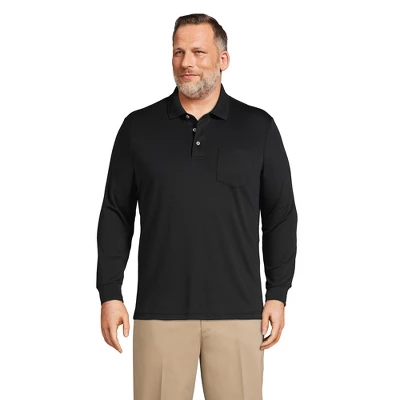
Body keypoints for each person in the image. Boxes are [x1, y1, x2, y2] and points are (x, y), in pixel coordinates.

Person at [96, 13, 298, 400]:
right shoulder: (138, 128)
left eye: (198, 52)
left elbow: (279, 216)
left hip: (239, 314)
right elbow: (116, 214)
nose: (186, 62)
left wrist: (277, 292)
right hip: (159, 313)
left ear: (223, 59)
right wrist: (110, 292)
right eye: (178, 52)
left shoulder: (258, 127)